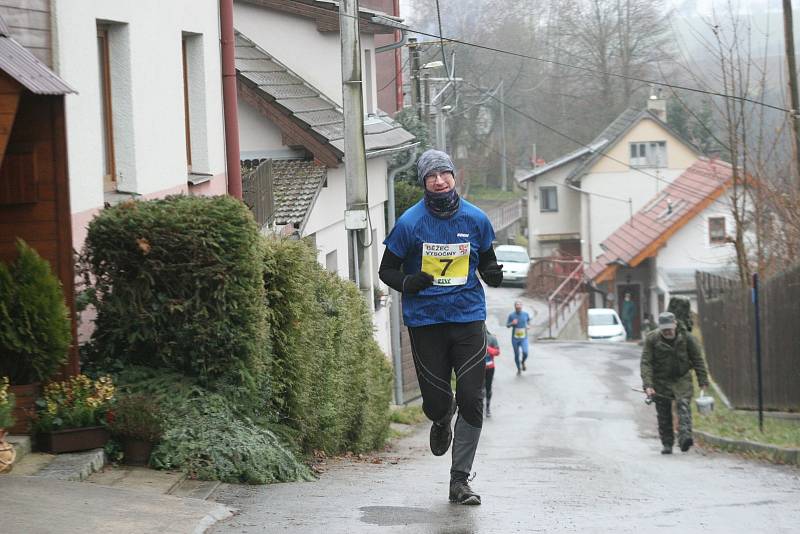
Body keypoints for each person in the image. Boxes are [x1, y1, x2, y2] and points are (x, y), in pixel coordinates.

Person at [378, 149, 503, 505]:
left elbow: (489, 264)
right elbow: (386, 271)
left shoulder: (476, 219)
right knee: (437, 402)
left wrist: (492, 275)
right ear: (424, 182)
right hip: (426, 321)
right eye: (432, 176)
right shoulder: (410, 223)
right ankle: (440, 418)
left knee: (471, 398)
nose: (439, 180)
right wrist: (409, 282)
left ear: (453, 177)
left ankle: (459, 480)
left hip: (467, 318)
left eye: (444, 174)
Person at [640, 311, 710, 455]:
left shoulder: (687, 338)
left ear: (675, 325)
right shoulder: (652, 339)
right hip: (661, 380)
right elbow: (646, 363)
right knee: (663, 412)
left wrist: (702, 380)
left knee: (683, 405)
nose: (667, 332)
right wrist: (648, 385)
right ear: (660, 328)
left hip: (681, 378)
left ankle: (685, 438)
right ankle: (667, 443)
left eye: (669, 329)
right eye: (664, 329)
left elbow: (698, 360)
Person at [506, 301, 531, 375]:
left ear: (522, 307)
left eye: (520, 306)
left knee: (525, 352)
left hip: (524, 338)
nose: (519, 307)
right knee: (516, 354)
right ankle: (518, 369)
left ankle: (522, 362)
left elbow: (528, 321)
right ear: (515, 307)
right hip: (515, 339)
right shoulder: (511, 315)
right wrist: (512, 323)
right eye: (517, 306)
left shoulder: (525, 314)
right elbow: (507, 325)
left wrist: (528, 325)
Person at [484, 330, 500, 418]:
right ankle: (481, 407)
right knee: (480, 389)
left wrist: (488, 349)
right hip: (478, 368)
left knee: (488, 388)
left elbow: (497, 352)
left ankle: (487, 408)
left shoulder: (492, 338)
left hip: (490, 367)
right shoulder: (474, 338)